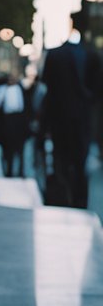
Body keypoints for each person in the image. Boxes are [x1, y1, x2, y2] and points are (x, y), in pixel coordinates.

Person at [39, 11, 102, 208]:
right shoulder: (92, 55)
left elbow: (48, 92)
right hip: (82, 120)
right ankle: (79, 202)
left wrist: (43, 127)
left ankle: (62, 199)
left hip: (59, 120)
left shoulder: (56, 55)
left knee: (61, 162)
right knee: (80, 164)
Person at [0, 69, 29, 178]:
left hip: (19, 121)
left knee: (20, 149)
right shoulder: (2, 90)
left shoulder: (20, 89)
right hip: (6, 122)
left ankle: (20, 170)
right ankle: (9, 170)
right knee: (8, 148)